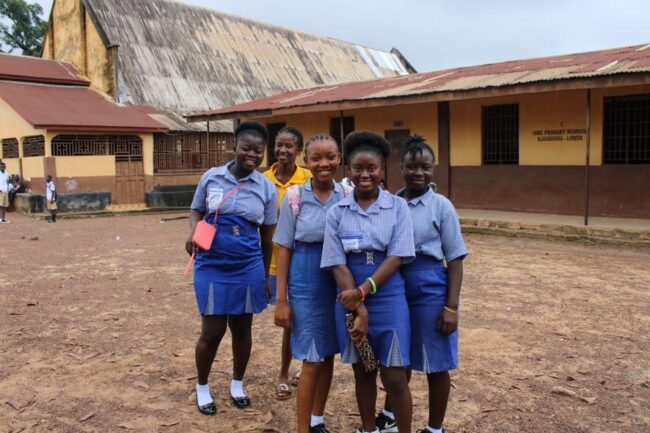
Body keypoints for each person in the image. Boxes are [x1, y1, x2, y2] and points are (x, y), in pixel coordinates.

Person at [321, 131, 415, 433]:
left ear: (382, 169)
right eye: (357, 168)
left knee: (395, 377)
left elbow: (397, 256)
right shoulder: (336, 212)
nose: (364, 175)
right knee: (363, 371)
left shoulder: (398, 207)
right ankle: (368, 428)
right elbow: (337, 261)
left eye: (371, 168)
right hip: (349, 301)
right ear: (347, 169)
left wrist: (363, 291)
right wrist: (357, 308)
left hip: (388, 299)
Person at [185, 122, 277, 416]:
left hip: (248, 264)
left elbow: (268, 236)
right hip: (211, 263)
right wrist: (193, 232)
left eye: (258, 151)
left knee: (242, 327)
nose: (252, 155)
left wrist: (264, 274)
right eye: (246, 148)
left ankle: (237, 384)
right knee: (212, 331)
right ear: (234, 148)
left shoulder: (266, 187)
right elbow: (196, 209)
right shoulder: (212, 177)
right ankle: (202, 386)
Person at [379, 135, 467, 433]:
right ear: (400, 167)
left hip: (430, 288)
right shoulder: (389, 203)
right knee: (397, 356)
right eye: (412, 166)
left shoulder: (441, 206)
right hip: (394, 286)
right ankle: (390, 415)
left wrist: (450, 306)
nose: (419, 172)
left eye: (426, 167)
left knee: (436, 363)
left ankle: (434, 428)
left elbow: (455, 259)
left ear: (433, 170)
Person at [273, 134, 344, 433]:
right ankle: (303, 428)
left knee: (327, 354)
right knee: (312, 358)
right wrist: (281, 300)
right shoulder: (294, 199)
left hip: (338, 280)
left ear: (339, 158)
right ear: (306, 161)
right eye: (316, 158)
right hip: (306, 280)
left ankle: (317, 420)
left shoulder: (348, 195)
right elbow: (285, 249)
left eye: (330, 156)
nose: (323, 163)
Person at [262, 126, 312, 400]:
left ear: (299, 151)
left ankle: (302, 369)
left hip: (303, 263)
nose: (282, 150)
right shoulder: (264, 180)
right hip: (274, 263)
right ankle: (283, 372)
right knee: (288, 321)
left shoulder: (308, 178)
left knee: (303, 319)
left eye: (289, 146)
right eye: (279, 145)